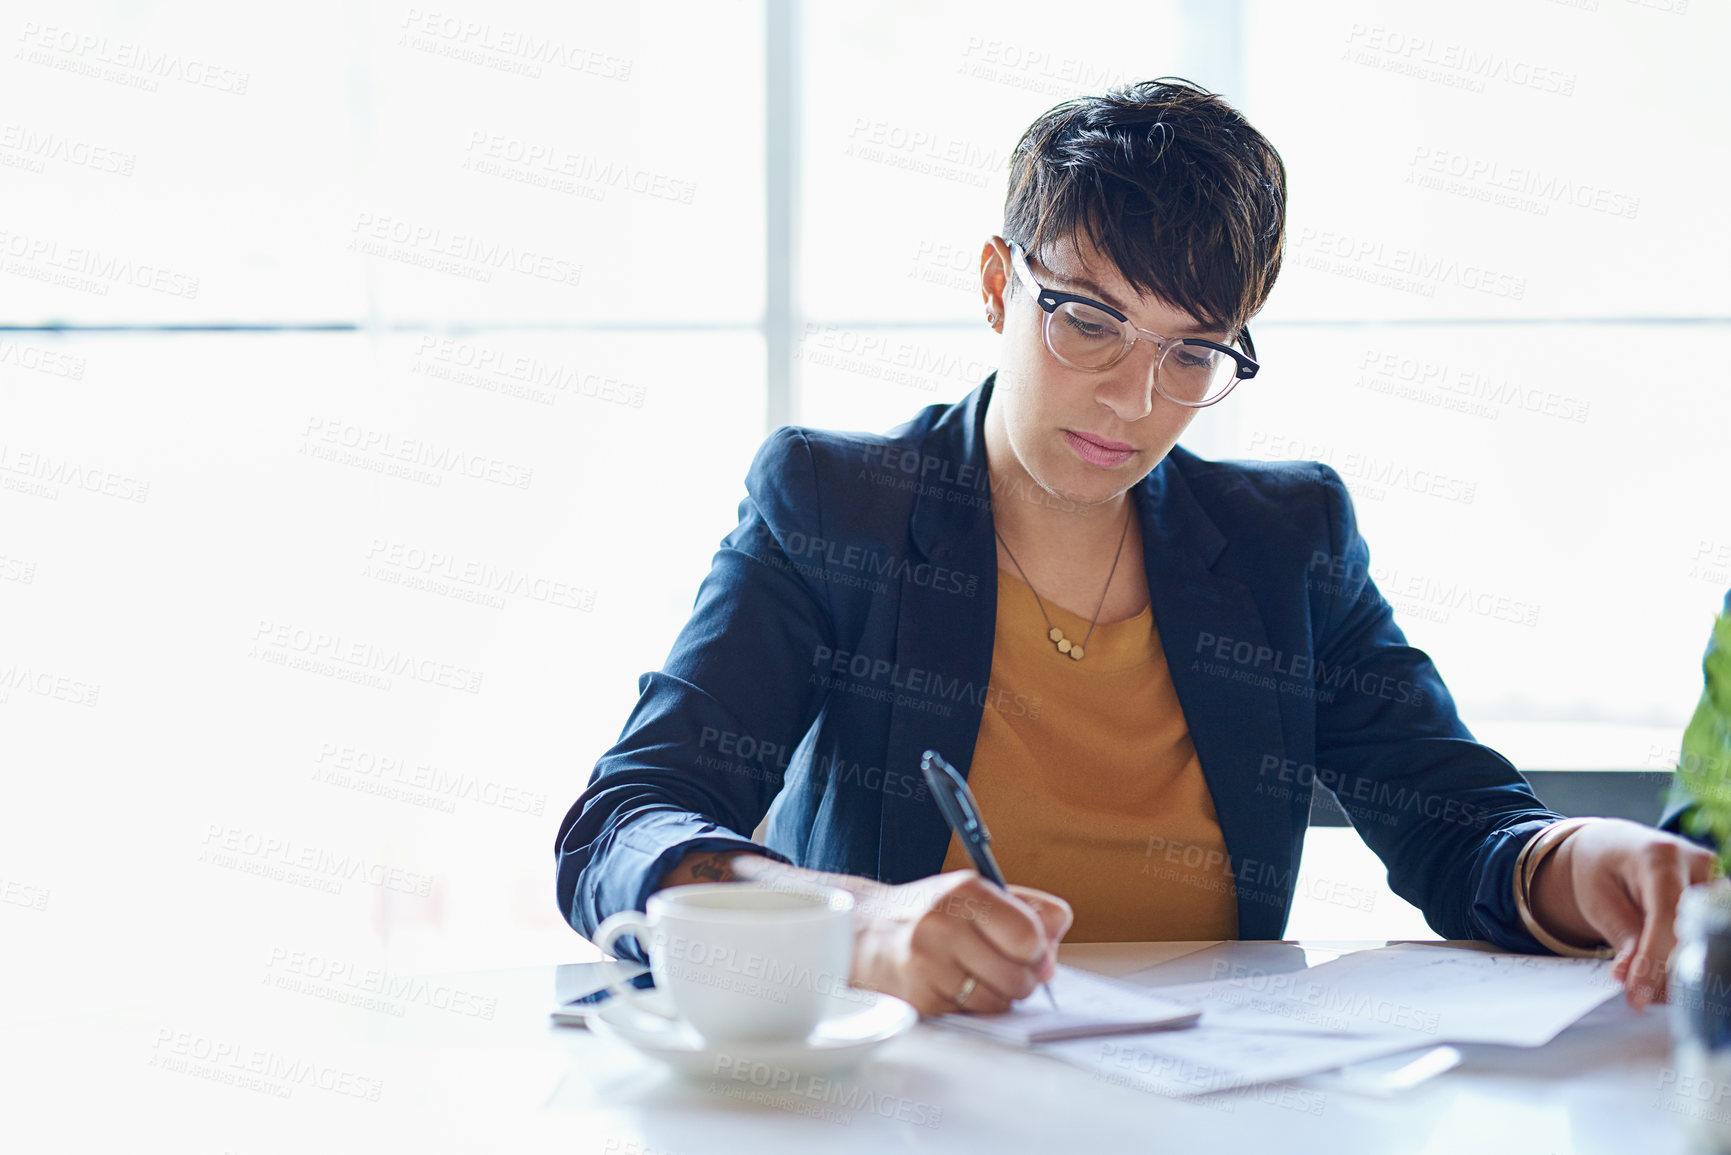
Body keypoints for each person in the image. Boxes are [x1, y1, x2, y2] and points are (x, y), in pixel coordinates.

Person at [556, 78, 1714, 1016]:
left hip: (1209, 1103)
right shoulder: (836, 505)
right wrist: (851, 926)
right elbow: (624, 824)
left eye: (1192, 354)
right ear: (1000, 285)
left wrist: (1585, 862)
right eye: (1090, 320)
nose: (1130, 399)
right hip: (906, 1099)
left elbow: (1463, 831)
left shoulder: (1284, 542)